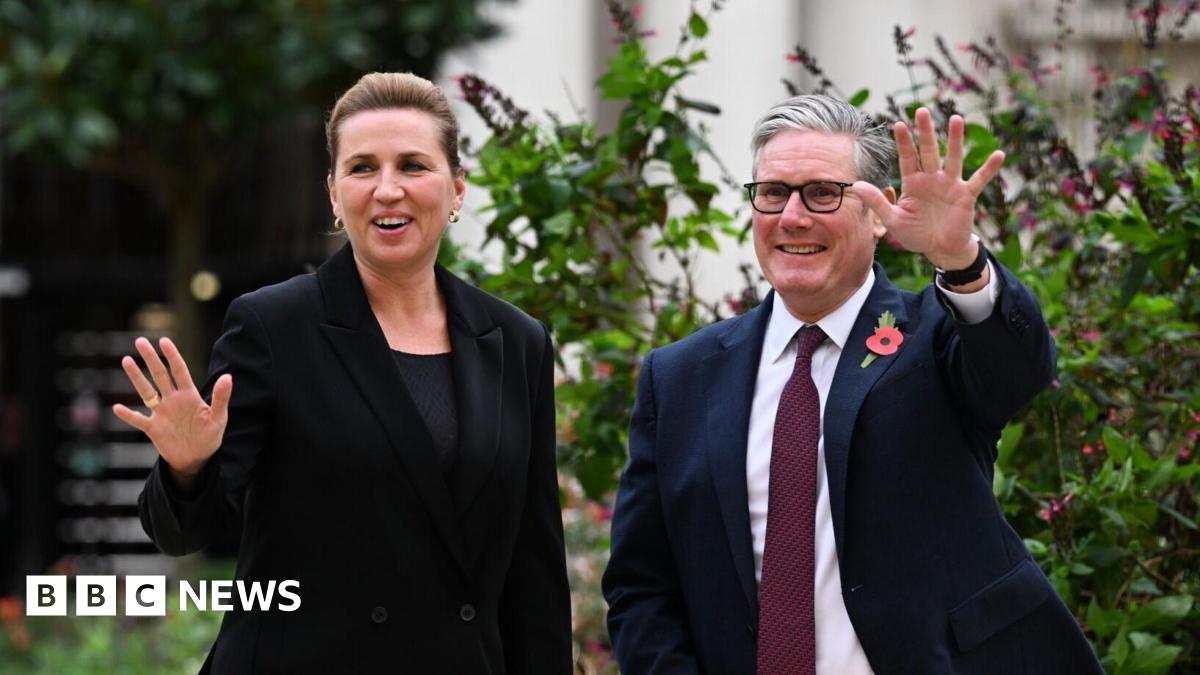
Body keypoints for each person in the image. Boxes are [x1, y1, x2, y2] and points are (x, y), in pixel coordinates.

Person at [602, 95, 1103, 674]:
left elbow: (1018, 370)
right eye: (773, 193)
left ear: (878, 212)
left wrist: (960, 259)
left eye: (823, 193)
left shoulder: (934, 339)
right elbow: (643, 586)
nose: (793, 217)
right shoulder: (680, 377)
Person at [115, 72, 572, 675]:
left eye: (413, 165)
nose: (388, 189)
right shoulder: (273, 327)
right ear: (334, 193)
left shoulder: (516, 342)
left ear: (457, 189)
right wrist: (187, 465)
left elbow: (533, 571)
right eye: (362, 168)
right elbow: (188, 533)